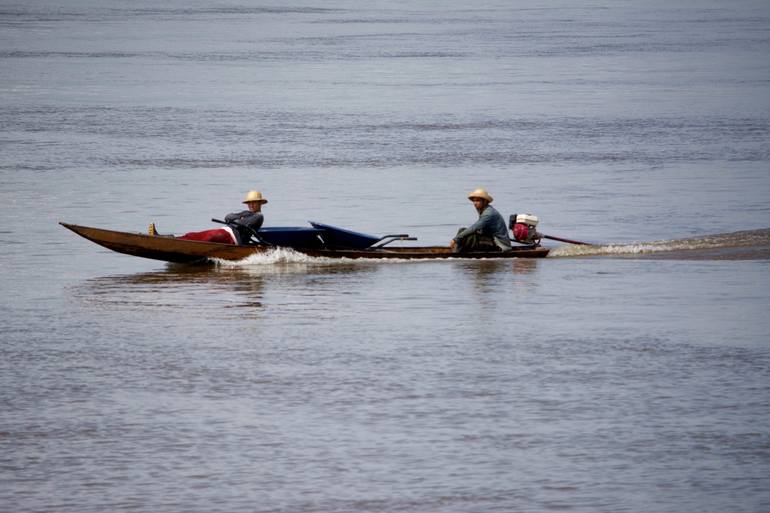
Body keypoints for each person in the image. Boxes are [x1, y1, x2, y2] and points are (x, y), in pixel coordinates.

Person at [148, 190, 268, 245]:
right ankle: (166, 238)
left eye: (254, 202)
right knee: (194, 235)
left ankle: (171, 242)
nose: (251, 204)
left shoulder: (259, 217)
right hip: (226, 231)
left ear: (260, 203)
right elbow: (228, 216)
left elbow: (243, 224)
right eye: (249, 202)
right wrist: (238, 219)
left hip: (233, 237)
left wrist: (237, 220)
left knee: (208, 238)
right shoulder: (245, 212)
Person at [450, 188, 512, 252]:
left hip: (499, 245)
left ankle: (456, 253)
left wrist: (455, 239)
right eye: (474, 201)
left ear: (485, 202)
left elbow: (474, 228)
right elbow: (481, 230)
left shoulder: (489, 213)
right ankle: (457, 251)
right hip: (490, 239)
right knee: (462, 230)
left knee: (467, 236)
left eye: (477, 201)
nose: (475, 203)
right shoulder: (483, 210)